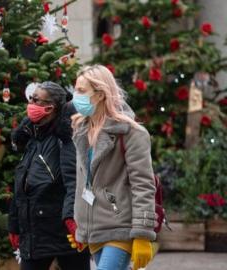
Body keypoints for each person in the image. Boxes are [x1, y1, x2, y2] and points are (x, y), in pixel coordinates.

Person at [69, 65, 157, 270]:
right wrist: (80, 226)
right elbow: (81, 182)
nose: (75, 96)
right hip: (94, 230)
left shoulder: (131, 133)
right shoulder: (80, 130)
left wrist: (142, 234)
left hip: (121, 226)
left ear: (100, 95)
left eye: (82, 91)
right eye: (75, 89)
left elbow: (143, 185)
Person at [8, 81, 90, 270]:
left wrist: (71, 219)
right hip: (35, 233)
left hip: (64, 233)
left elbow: (74, 181)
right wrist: (14, 224)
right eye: (31, 98)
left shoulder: (66, 139)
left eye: (36, 100)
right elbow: (22, 185)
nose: (31, 104)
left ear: (50, 107)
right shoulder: (33, 138)